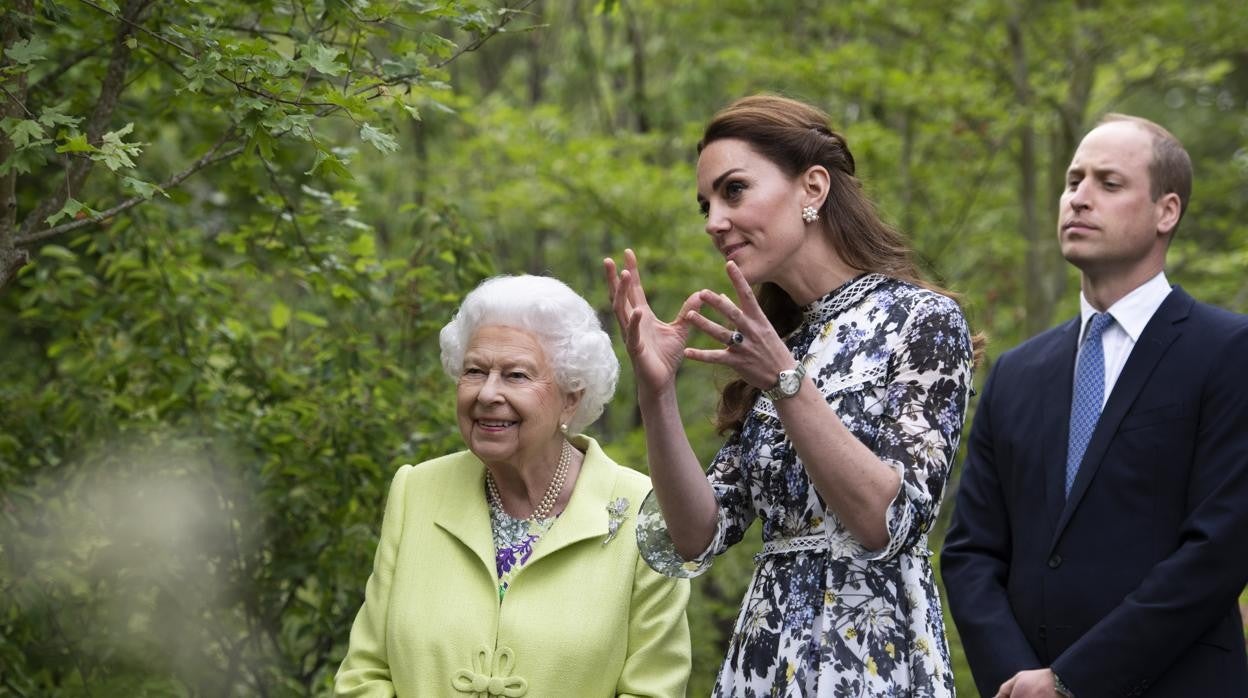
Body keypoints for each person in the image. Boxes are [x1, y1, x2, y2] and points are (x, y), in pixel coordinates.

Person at [604, 94, 975, 697]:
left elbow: (888, 521)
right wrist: (657, 393)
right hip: (764, 663)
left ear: (813, 189)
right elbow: (696, 537)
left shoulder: (921, 320)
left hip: (873, 665)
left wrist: (786, 381)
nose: (713, 221)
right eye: (706, 205)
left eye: (734, 191)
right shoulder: (776, 343)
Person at [941, 114, 1248, 697]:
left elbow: (1220, 549)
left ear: (1167, 211)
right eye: (1072, 180)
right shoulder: (1015, 373)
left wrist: (1071, 682)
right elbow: (971, 552)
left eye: (1108, 184)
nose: (1078, 198)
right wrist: (1020, 681)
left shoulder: (1230, 351)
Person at [334, 274, 691, 697]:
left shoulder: (643, 510)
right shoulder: (416, 491)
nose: (487, 393)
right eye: (474, 371)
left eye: (516, 375)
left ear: (571, 397)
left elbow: (653, 688)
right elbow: (365, 673)